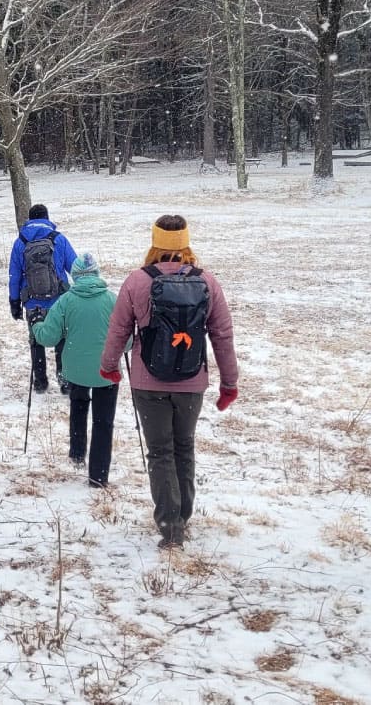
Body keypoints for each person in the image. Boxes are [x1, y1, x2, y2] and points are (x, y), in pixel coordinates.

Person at [100, 215, 238, 548]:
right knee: (184, 448)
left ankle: (169, 522)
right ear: (186, 243)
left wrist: (109, 366)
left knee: (160, 452)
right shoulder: (207, 282)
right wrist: (228, 384)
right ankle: (183, 516)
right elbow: (222, 335)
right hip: (192, 382)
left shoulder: (136, 281)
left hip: (148, 383)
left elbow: (118, 330)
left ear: (155, 242)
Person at [32, 252, 119, 487]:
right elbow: (127, 337)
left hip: (77, 370)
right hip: (107, 369)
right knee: (104, 422)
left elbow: (49, 337)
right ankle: (98, 476)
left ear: (76, 277)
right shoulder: (112, 300)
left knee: (78, 406)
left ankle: (77, 452)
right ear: (97, 274)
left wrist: (36, 325)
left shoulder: (66, 301)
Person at [9, 203, 78, 394]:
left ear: (30, 219)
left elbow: (14, 275)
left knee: (36, 340)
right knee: (63, 339)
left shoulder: (20, 242)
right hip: (60, 301)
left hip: (32, 301)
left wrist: (14, 302)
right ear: (47, 218)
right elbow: (75, 266)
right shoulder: (59, 239)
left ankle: (40, 381)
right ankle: (64, 380)